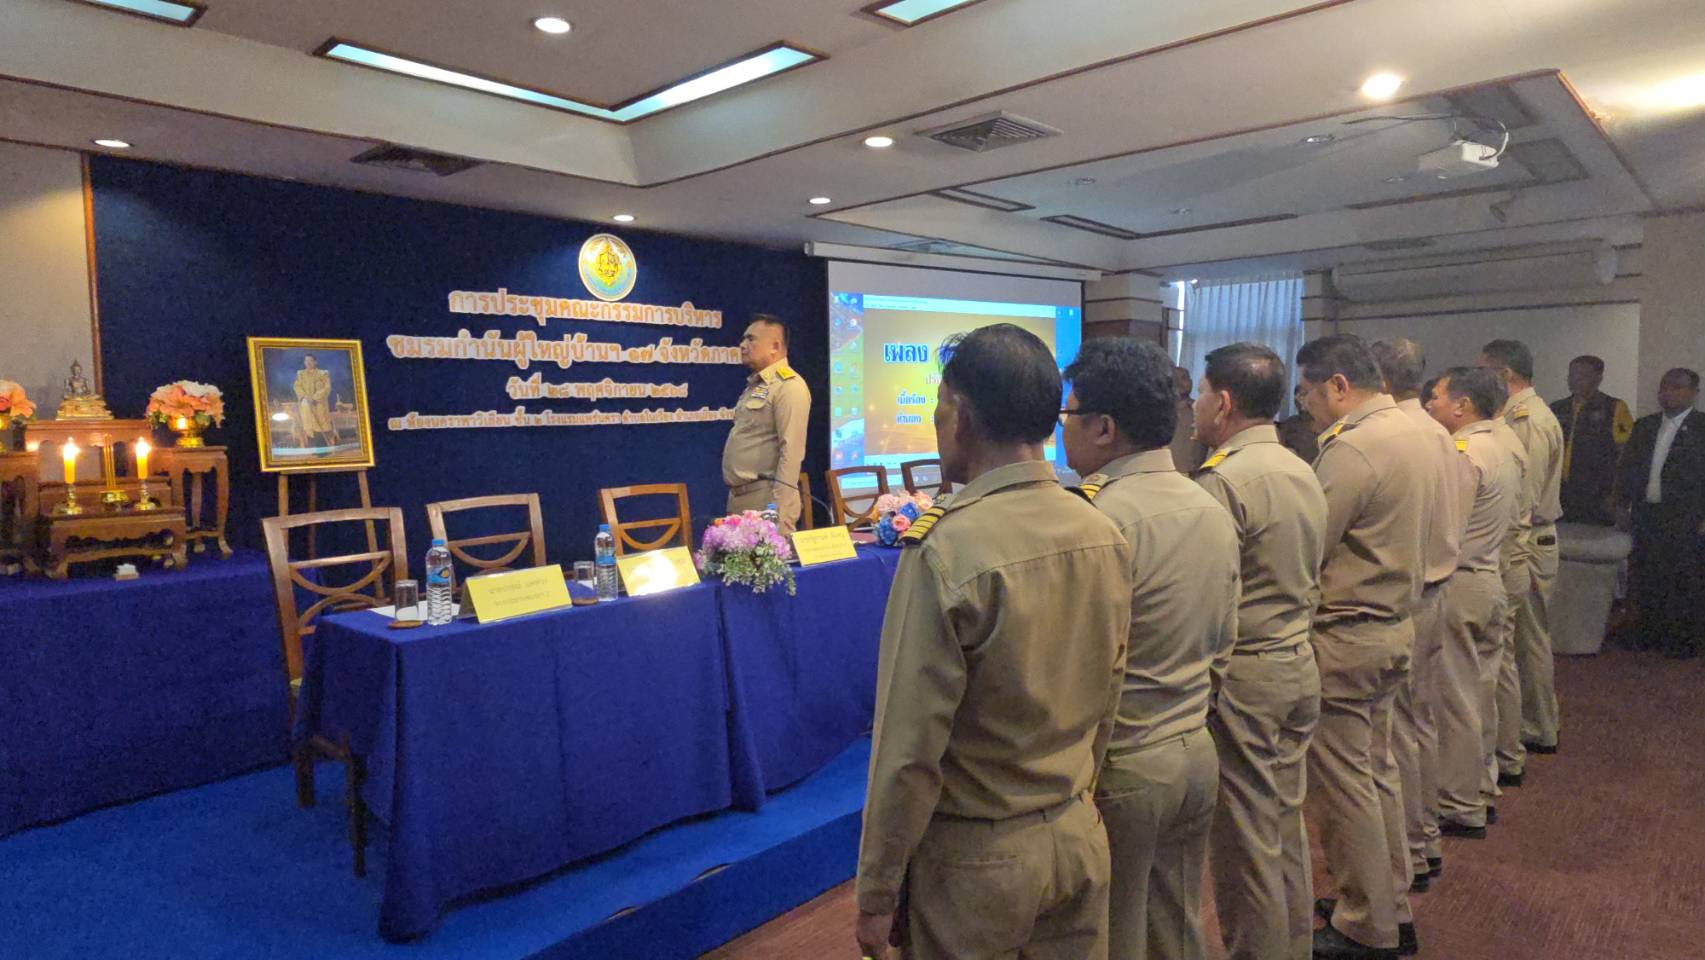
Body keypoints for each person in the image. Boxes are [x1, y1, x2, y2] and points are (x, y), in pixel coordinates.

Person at [854, 324, 1133, 960]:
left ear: (961, 417)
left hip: (976, 862)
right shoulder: (1102, 529)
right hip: (1077, 834)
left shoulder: (947, 549)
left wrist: (876, 890)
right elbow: (1109, 697)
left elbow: (908, 750)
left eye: (938, 406)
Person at [1062, 338, 1240, 960]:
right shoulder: (1207, 503)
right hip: (1194, 748)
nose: (1062, 431)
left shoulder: (1098, 520)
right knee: (1177, 929)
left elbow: (1080, 667)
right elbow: (1224, 642)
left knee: (1114, 936)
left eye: (1068, 415)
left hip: (1126, 763)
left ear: (1103, 428)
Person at [1293, 334, 1427, 960]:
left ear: (1340, 386)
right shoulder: (1411, 430)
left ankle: (1365, 923)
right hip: (1393, 623)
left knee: (1344, 788)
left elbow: (1308, 544)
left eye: (1308, 393)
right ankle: (1389, 904)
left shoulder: (1354, 447)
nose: (1305, 406)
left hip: (1348, 634)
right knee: (1377, 775)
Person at [1192, 343, 1327, 960]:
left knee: (1245, 843)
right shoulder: (1302, 466)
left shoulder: (1224, 480)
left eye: (1200, 393)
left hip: (1246, 676)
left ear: (1222, 402)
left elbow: (1209, 596)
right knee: (1282, 826)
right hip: (1297, 662)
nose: (1195, 405)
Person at [1370, 338, 1465, 893]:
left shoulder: (1389, 435)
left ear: (1378, 379)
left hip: (1407, 598)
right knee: (1420, 724)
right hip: (1438, 587)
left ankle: (1406, 849)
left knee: (1394, 736)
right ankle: (1423, 840)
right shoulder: (1435, 431)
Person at [1423, 368, 1519, 839]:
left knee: (1455, 699)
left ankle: (1460, 803)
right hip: (1489, 577)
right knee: (1481, 692)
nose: (1429, 405)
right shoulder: (1500, 445)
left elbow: (1447, 529)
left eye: (1437, 397)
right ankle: (1480, 786)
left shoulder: (1463, 453)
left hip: (1460, 584)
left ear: (1462, 405)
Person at [1477, 340, 1563, 755]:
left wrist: (1506, 552)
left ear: (1505, 375)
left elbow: (1523, 497)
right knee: (1522, 643)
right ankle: (1533, 724)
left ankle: (1536, 726)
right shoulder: (1518, 415)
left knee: (1528, 643)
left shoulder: (1527, 420)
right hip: (1528, 538)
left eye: (1484, 371)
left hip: (1528, 540)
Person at [1618, 368, 1705, 659]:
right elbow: (1629, 467)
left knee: (1683, 578)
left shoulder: (1702, 428)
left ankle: (1682, 641)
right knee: (1646, 574)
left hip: (1686, 517)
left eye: (1676, 387)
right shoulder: (1645, 426)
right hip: (1647, 514)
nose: (1667, 393)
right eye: (1664, 387)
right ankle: (1647, 633)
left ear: (1694, 393)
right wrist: (1622, 504)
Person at [722, 314, 810, 533]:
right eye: (743, 339)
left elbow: (791, 453)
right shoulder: (757, 385)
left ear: (775, 347)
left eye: (751, 339)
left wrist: (777, 510)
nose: (742, 345)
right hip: (740, 498)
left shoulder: (789, 387)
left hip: (766, 502)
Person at [1550, 355, 1633, 526]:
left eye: (1582, 375)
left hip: (1597, 494)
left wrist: (1617, 496)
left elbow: (1626, 454)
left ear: (1598, 379)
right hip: (1561, 493)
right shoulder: (1558, 408)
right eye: (1572, 374)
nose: (1575, 380)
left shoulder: (1614, 407)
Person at [293, 354, 341, 447]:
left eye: (310, 360)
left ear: (315, 362)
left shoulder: (323, 374)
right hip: (306, 405)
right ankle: (313, 449)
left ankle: (324, 450)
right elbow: (297, 386)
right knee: (309, 427)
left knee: (320, 426)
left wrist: (314, 398)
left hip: (319, 404)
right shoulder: (301, 374)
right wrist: (305, 396)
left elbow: (327, 388)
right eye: (306, 361)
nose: (308, 363)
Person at [1170, 365, 1207, 473]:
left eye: (1183, 378)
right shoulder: (1159, 412)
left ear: (1191, 382)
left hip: (1194, 476)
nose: (1179, 383)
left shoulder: (1203, 411)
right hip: (1163, 474)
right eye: (1175, 379)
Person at [1277, 383, 1321, 463]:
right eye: (1298, 397)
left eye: (1304, 395)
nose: (1300, 401)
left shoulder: (1326, 424)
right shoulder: (1290, 424)